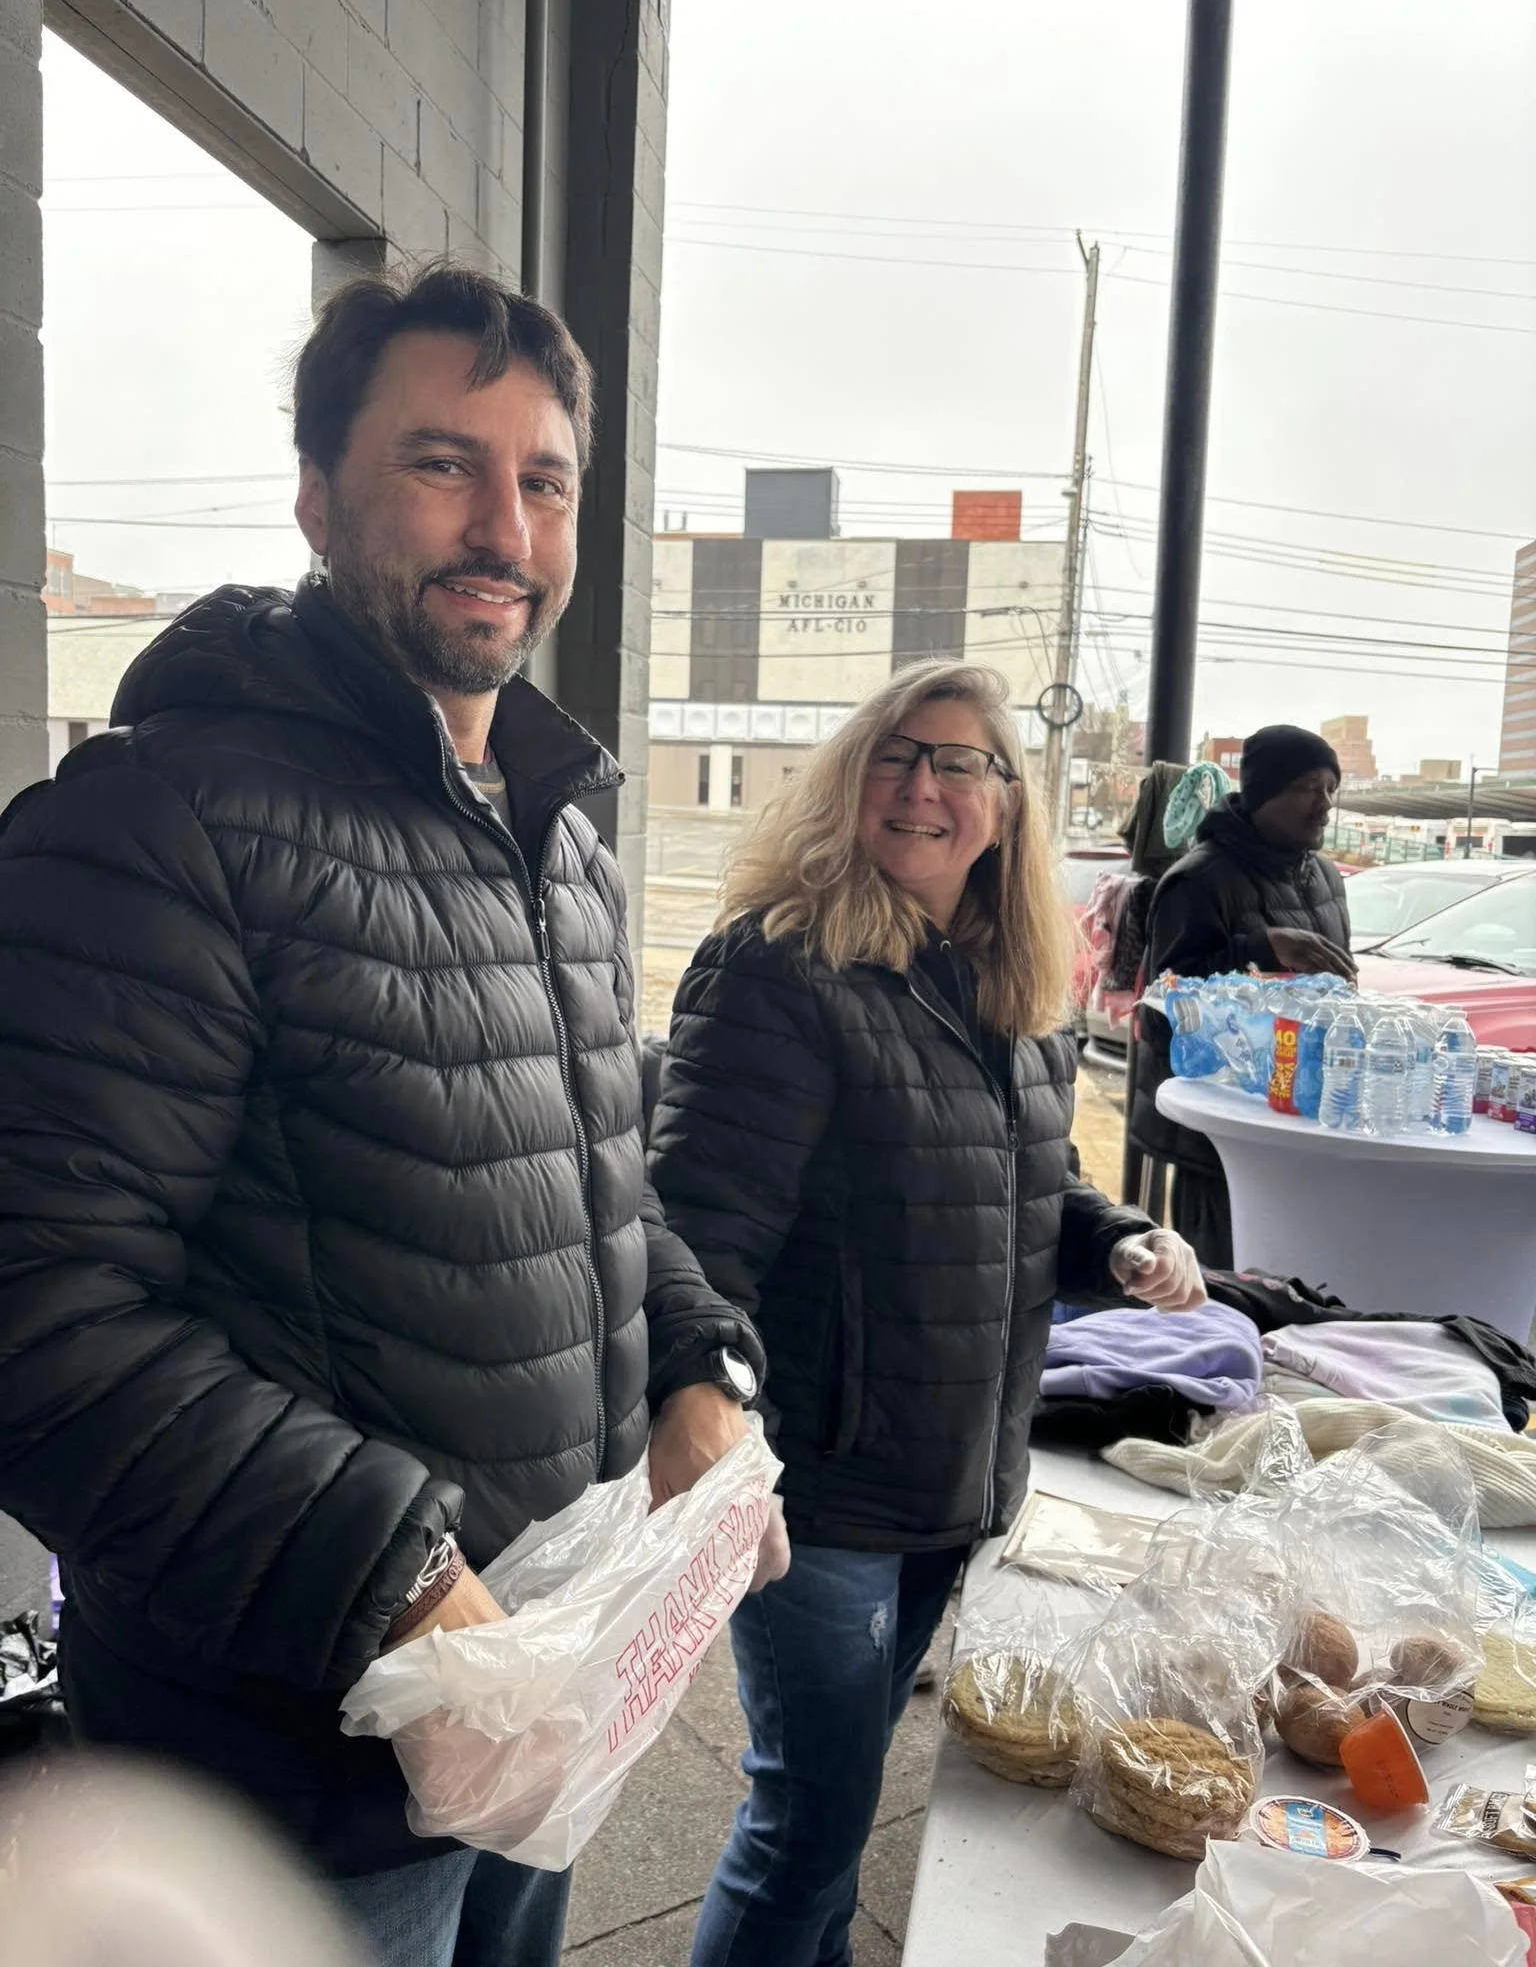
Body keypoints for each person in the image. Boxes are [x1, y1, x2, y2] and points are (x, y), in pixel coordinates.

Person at [0, 263, 775, 1967]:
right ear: (314, 495)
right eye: (442, 462)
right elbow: (36, 1308)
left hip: (528, 1713)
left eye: (544, 478)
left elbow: (582, 1185)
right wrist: (398, 1569)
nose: (503, 522)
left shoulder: (556, 838)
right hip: (289, 1774)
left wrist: (697, 1360)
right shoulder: (158, 823)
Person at [647, 661, 1205, 1967]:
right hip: (819, 1483)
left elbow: (1031, 1191)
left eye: (962, 763)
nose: (924, 785)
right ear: (849, 781)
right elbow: (693, 1231)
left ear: (1008, 807)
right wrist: (702, 1408)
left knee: (834, 1809)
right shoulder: (780, 967)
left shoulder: (1008, 988)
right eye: (896, 754)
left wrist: (1118, 1242)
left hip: (956, 1468)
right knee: (808, 1815)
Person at [1129, 723, 1355, 1267]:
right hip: (1220, 1141)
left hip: (1298, 1123)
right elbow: (1163, 1010)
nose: (1323, 804)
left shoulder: (1324, 876)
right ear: (1262, 793)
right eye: (1307, 787)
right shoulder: (1199, 880)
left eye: (1331, 788)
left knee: (1295, 1290)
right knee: (1226, 1289)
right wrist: (1260, 948)